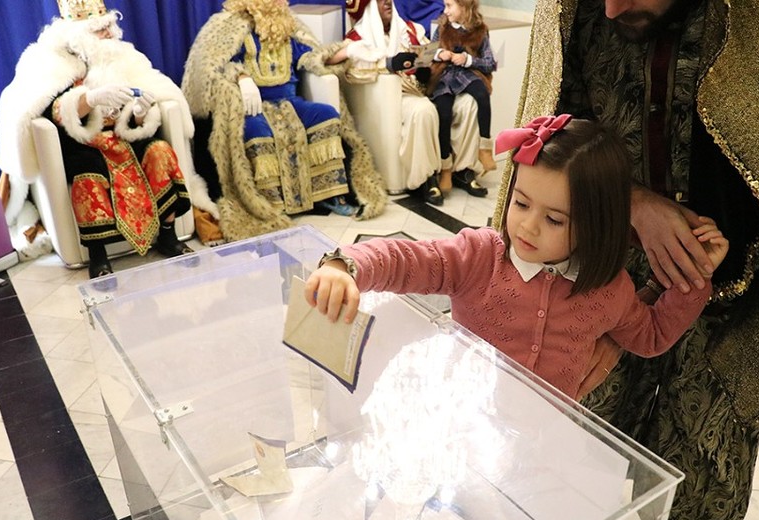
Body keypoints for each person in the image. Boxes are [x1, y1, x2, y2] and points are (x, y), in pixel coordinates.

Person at [491, 1, 759, 520]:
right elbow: (557, 114)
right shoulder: (583, 8)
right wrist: (632, 202)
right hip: (602, 239)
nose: (611, 9)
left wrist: (718, 255)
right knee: (591, 399)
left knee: (697, 414)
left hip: (726, 265)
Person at [304, 116, 728, 400]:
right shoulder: (479, 257)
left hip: (542, 450)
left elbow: (650, 335)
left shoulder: (608, 290)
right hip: (462, 427)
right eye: (521, 203)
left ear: (595, 225)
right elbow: (406, 259)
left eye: (554, 219)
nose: (527, 227)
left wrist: (696, 275)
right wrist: (346, 266)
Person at [0, 0, 207, 278]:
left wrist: (140, 113)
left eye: (109, 25)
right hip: (81, 142)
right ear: (78, 35)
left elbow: (138, 104)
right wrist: (90, 99)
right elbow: (51, 112)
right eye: (100, 29)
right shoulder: (48, 62)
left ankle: (168, 236)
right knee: (88, 173)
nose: (110, 33)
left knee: (160, 150)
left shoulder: (122, 56)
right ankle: (98, 255)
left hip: (123, 137)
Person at [181, 0, 388, 244]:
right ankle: (270, 204)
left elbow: (310, 56)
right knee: (259, 131)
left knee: (326, 115)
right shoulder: (228, 25)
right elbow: (213, 68)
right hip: (253, 106)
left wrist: (347, 51)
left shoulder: (289, 25)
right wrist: (241, 77)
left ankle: (327, 195)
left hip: (290, 101)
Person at [326, 0, 486, 205]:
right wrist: (389, 64)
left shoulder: (410, 29)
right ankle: (426, 178)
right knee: (423, 110)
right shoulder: (357, 39)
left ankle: (463, 170)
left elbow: (430, 52)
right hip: (396, 96)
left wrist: (430, 65)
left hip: (428, 88)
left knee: (468, 103)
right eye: (380, 0)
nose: (387, 2)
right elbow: (352, 72)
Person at [429, 0, 497, 190]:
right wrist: (439, 54)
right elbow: (429, 52)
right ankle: (445, 168)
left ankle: (484, 148)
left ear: (464, 6)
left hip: (466, 75)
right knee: (444, 114)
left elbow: (490, 63)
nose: (445, 10)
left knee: (482, 95)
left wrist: (468, 60)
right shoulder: (443, 27)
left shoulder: (480, 31)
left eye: (449, 5)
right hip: (444, 77)